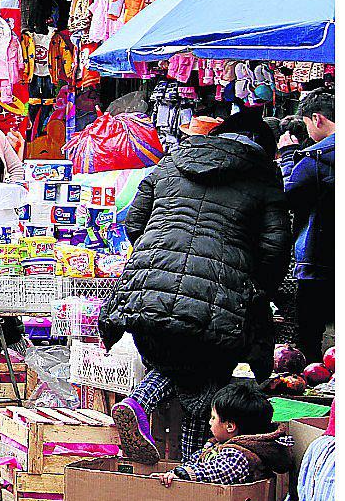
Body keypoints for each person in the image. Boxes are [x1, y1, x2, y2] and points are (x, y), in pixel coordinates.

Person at [100, 107, 291, 463]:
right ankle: (191, 468)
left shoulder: (172, 162)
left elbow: (134, 222)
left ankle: (142, 408)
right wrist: (250, 286)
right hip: (215, 305)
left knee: (181, 368)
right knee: (204, 377)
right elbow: (275, 249)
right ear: (262, 147)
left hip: (144, 294)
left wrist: (158, 258)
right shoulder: (263, 176)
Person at [152, 382, 291, 486]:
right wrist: (174, 473)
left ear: (230, 426)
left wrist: (184, 474)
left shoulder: (239, 455)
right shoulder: (219, 444)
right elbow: (196, 460)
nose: (209, 422)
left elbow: (218, 471)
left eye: (213, 418)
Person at [285, 89, 334, 363]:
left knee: (309, 350)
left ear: (317, 119)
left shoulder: (314, 158)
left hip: (319, 260)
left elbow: (284, 196)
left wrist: (287, 156)